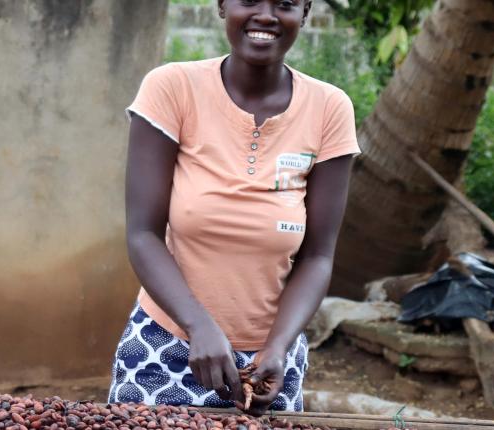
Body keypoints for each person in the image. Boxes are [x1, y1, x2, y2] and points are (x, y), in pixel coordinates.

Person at [109, 0, 357, 413]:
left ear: (305, 12)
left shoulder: (329, 109)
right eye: (249, 0)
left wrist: (278, 346)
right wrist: (198, 326)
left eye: (285, 4)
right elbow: (142, 234)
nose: (266, 15)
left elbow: (317, 257)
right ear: (223, 5)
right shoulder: (173, 88)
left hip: (269, 367)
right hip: (165, 346)